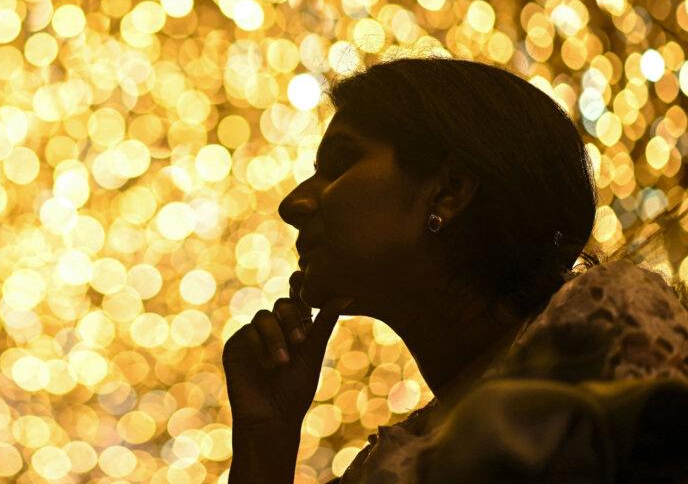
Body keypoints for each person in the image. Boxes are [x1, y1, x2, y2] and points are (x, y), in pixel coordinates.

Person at [222, 55, 688, 483]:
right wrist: (267, 438)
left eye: (341, 162)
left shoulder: (605, 319)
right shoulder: (375, 468)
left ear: (449, 191)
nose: (293, 204)